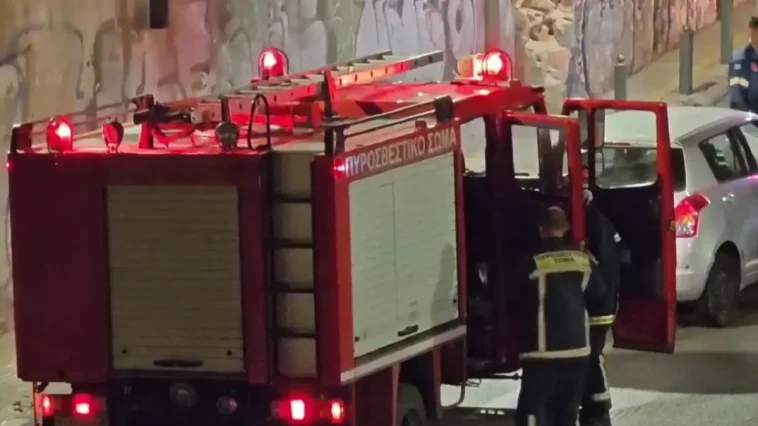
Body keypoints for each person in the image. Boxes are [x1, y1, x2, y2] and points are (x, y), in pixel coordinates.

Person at [508, 206, 607, 426]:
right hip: (577, 351)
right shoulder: (583, 260)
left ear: (540, 229)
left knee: (533, 412)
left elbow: (511, 297)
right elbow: (599, 294)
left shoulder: (530, 261)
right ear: (567, 228)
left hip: (541, 353)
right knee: (567, 413)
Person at [579, 190, 629, 426]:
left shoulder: (591, 221)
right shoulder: (600, 220)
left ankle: (598, 413)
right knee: (591, 357)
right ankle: (594, 411)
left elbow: (595, 264)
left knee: (591, 357)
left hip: (597, 306)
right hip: (604, 301)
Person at [728, 16, 758, 112]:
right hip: (751, 116)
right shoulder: (741, 59)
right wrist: (749, 116)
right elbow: (737, 96)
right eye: (755, 31)